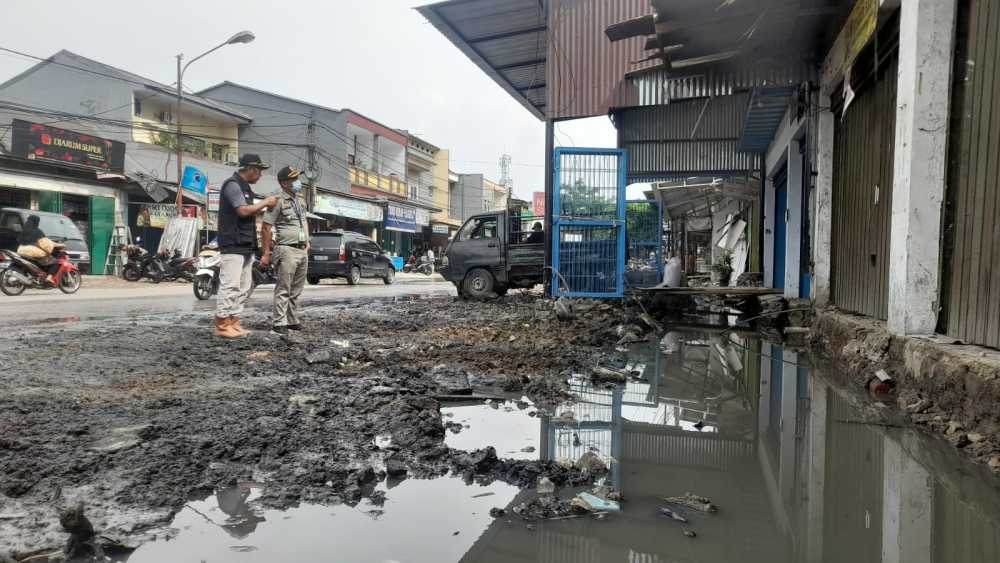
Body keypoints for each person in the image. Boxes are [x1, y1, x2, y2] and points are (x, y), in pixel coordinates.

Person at [214, 154, 279, 339]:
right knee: (230, 285)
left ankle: (234, 321)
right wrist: (265, 202)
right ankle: (222, 324)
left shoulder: (246, 188)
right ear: (250, 169)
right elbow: (242, 211)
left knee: (243, 286)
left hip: (245, 244)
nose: (260, 176)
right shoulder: (232, 185)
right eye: (259, 171)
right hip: (232, 243)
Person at [261, 166, 310, 335]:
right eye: (293, 179)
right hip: (286, 249)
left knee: (297, 289)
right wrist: (266, 252)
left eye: (297, 178)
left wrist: (307, 242)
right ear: (284, 183)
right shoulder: (277, 200)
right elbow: (266, 227)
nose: (298, 182)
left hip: (302, 249)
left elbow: (303, 221)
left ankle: (291, 320)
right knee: (284, 287)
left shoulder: (300, 200)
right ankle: (279, 322)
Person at [17, 215, 63, 281]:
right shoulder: (38, 231)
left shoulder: (24, 231)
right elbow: (46, 244)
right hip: (33, 253)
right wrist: (58, 245)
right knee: (55, 262)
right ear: (36, 222)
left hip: (21, 251)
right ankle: (49, 277)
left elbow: (19, 240)